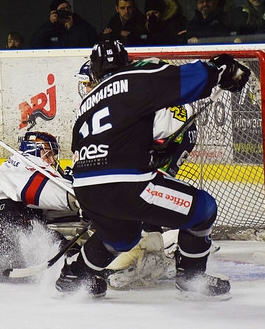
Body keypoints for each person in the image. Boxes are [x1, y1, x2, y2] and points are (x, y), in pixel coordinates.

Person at [55, 40, 250, 299]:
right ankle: (191, 280)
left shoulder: (86, 105)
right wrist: (218, 70)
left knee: (121, 238)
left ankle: (73, 276)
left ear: (95, 71)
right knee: (203, 209)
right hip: (129, 186)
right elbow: (179, 80)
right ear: (125, 62)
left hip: (86, 188)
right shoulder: (135, 77)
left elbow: (81, 149)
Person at [0, 131, 81, 283]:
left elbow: (55, 210)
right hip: (4, 218)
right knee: (60, 243)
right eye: (48, 154)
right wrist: (80, 189)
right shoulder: (28, 163)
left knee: (19, 278)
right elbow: (63, 196)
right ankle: (79, 272)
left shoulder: (12, 167)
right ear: (36, 150)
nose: (52, 160)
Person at [28, 0, 98, 49]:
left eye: (68, 8)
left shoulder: (81, 24)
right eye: (62, 10)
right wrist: (50, 23)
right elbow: (34, 43)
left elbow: (90, 42)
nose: (66, 11)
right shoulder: (50, 28)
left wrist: (72, 28)